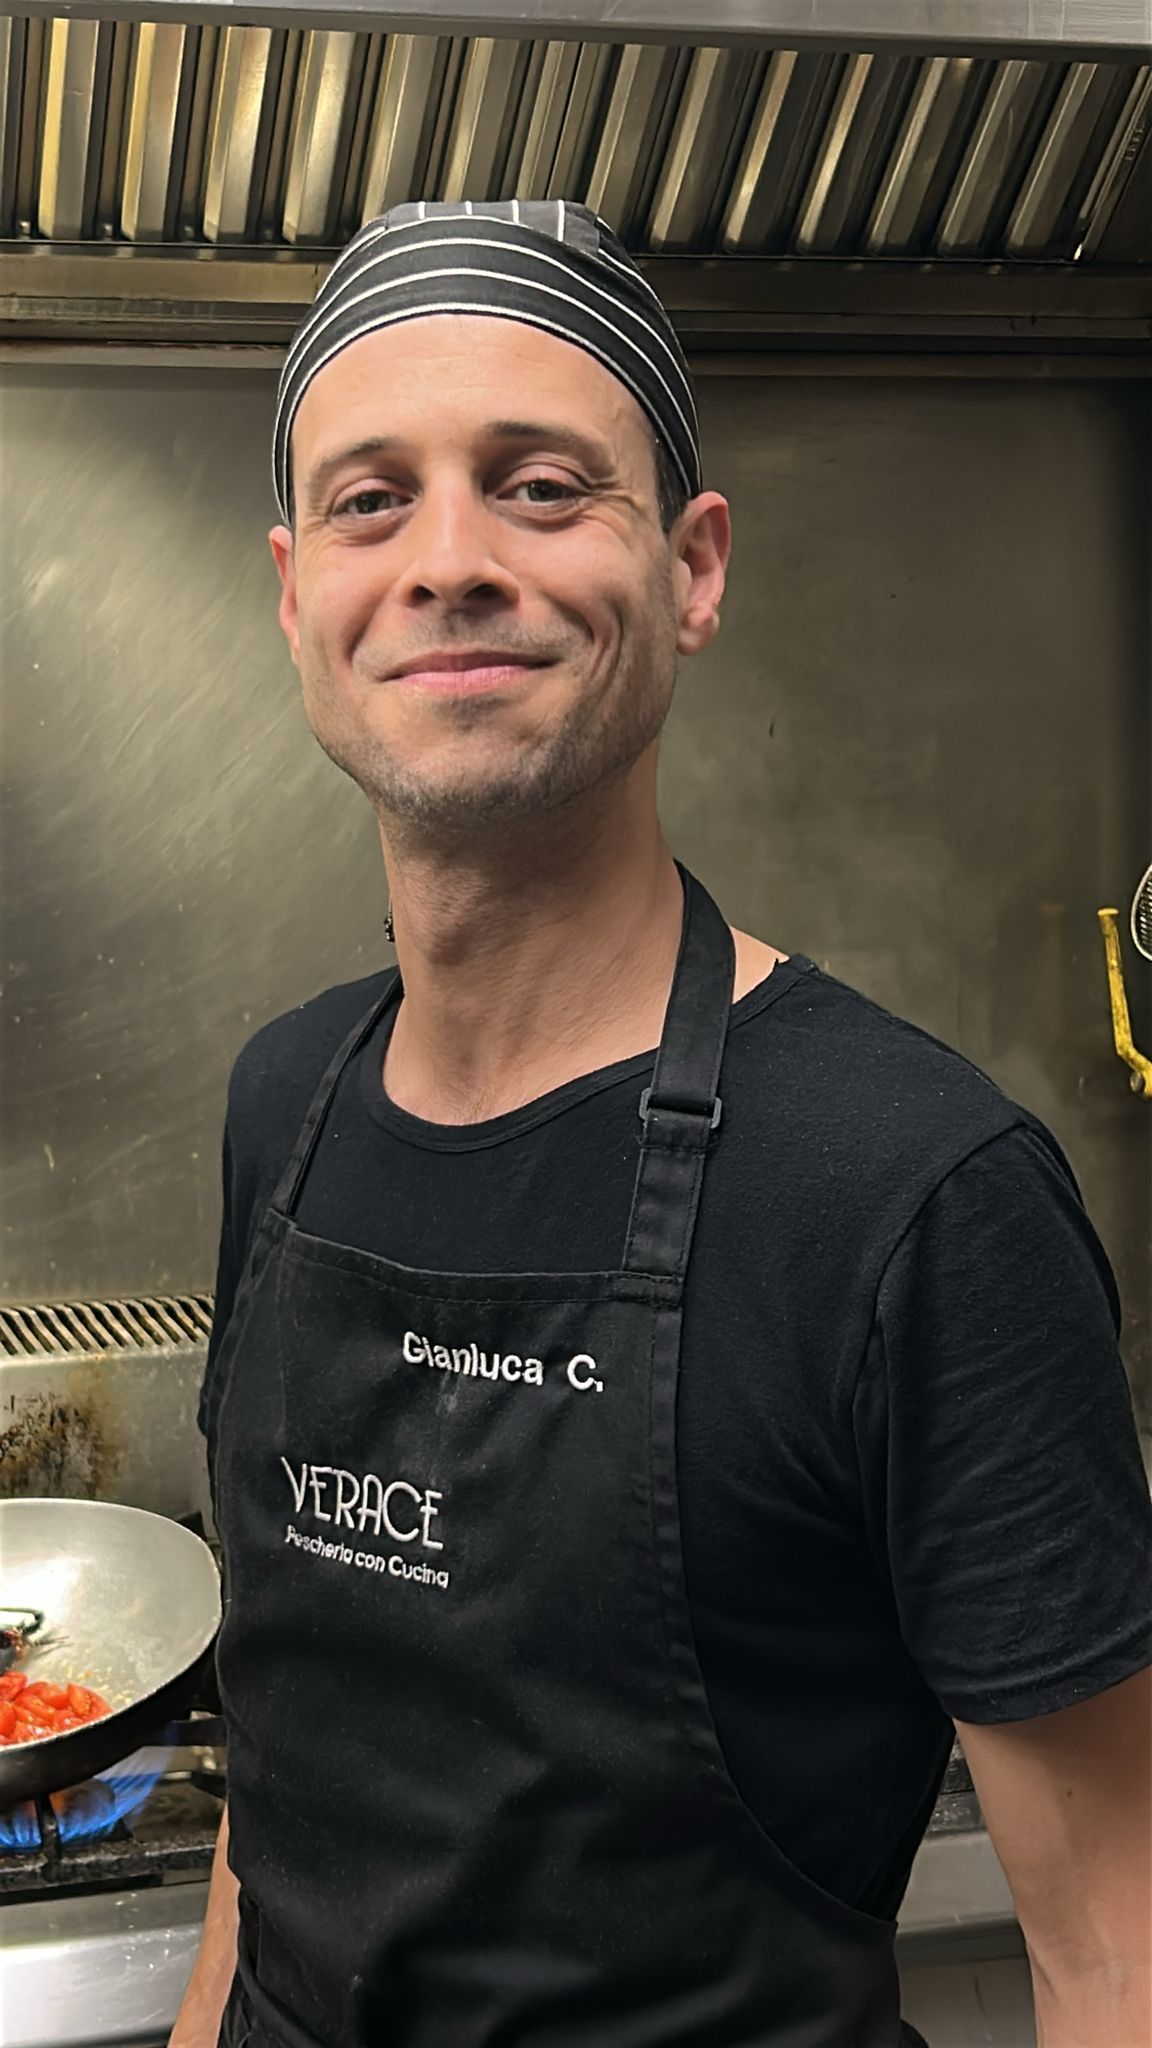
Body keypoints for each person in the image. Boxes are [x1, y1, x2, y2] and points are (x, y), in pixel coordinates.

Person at [176, 200, 1151, 2048]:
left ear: (695, 570)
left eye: (541, 486)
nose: (449, 558)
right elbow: (292, 1762)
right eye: (374, 501)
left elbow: (1120, 1944)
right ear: (295, 591)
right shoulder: (278, 1101)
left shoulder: (913, 1197)